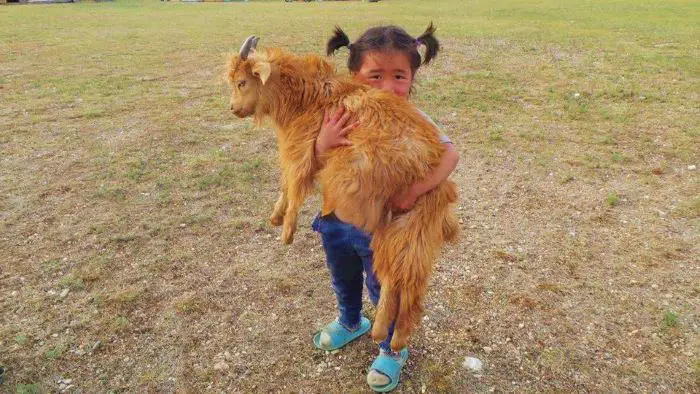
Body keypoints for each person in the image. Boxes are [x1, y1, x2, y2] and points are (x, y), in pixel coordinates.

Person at [311, 23, 459, 392]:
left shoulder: (410, 119)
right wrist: (321, 144)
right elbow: (309, 161)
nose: (388, 87)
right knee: (341, 277)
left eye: (399, 76)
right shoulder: (339, 112)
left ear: (412, 77)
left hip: (383, 230)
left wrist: (414, 190)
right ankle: (350, 321)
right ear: (354, 75)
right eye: (375, 75)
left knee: (385, 289)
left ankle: (391, 349)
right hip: (336, 219)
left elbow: (450, 154)